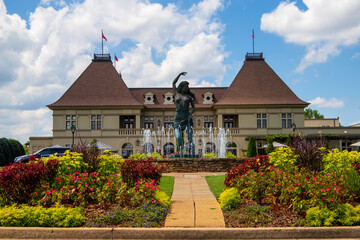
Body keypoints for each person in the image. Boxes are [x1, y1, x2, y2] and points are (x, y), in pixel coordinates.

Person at [172, 72, 195, 154]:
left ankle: (192, 154)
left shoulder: (189, 97)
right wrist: (179, 74)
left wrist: (190, 113)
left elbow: (193, 107)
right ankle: (180, 152)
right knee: (178, 137)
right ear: (182, 87)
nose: (187, 88)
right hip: (178, 118)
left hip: (186, 117)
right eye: (186, 86)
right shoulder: (176, 94)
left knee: (190, 138)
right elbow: (173, 83)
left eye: (188, 86)